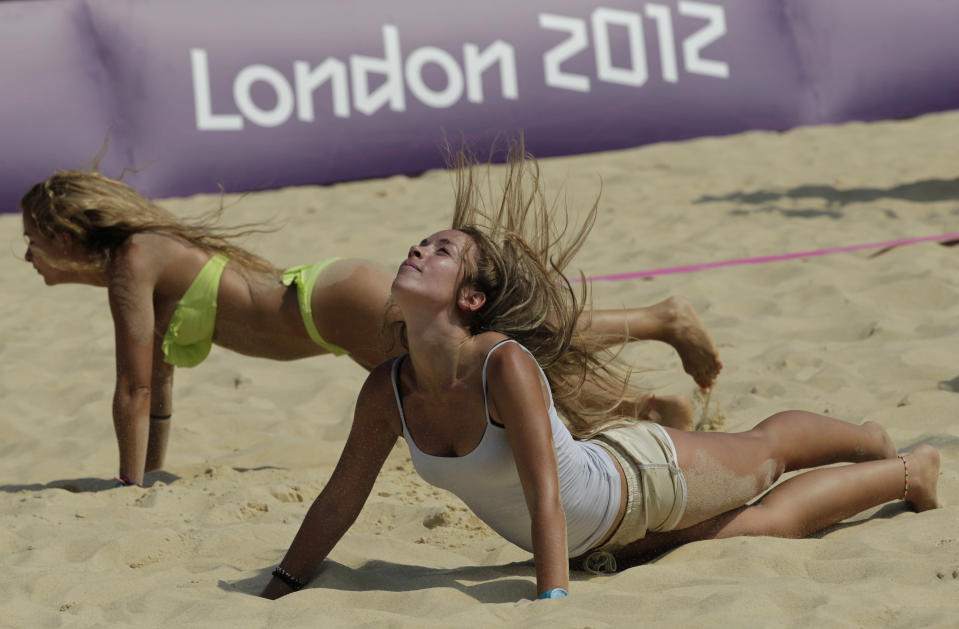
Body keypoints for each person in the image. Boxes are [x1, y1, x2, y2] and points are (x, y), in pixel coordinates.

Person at [260, 143, 940, 601]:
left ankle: (870, 440)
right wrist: (285, 581)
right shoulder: (388, 388)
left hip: (638, 484)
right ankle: (910, 472)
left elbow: (544, 489)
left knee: (765, 453)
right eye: (420, 242)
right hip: (593, 543)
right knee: (759, 525)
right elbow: (340, 497)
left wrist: (551, 598)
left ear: (469, 300)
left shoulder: (501, 360)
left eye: (439, 249)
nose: (415, 247)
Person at [19, 169, 722, 486]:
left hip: (336, 304)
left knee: (504, 342)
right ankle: (643, 408)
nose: (27, 256)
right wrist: (146, 473)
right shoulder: (137, 267)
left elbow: (134, 388)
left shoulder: (132, 263)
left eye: (34, 239)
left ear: (69, 235)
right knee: (481, 377)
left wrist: (124, 483)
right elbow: (161, 386)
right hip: (336, 320)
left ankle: (658, 318)